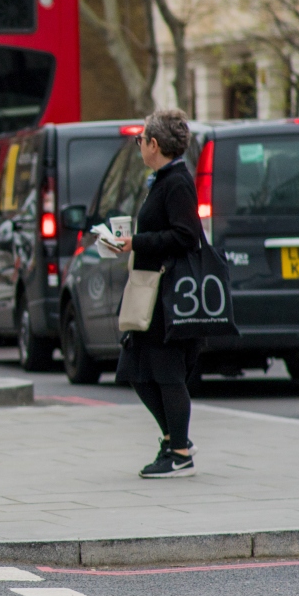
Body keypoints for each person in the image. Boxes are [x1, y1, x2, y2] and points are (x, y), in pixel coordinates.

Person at [115, 107, 203, 478]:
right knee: (135, 368)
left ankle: (180, 452)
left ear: (153, 143)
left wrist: (137, 241)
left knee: (167, 372)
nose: (139, 145)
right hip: (150, 289)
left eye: (140, 140)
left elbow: (186, 236)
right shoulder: (163, 179)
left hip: (167, 294)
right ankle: (172, 437)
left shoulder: (177, 182)